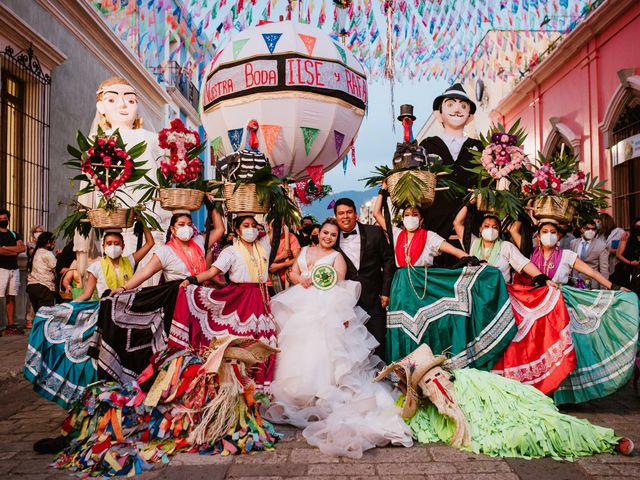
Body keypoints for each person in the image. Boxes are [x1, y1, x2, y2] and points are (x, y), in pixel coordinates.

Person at [265, 218, 413, 458]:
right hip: (300, 301)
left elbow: (339, 287)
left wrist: (341, 314)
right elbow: (292, 272)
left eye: (333, 235)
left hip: (324, 306)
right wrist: (298, 279)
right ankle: (297, 392)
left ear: (336, 239)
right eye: (326, 233)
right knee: (296, 346)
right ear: (319, 233)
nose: (328, 237)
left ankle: (322, 391)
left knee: (324, 349)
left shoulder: (337, 257)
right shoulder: (304, 250)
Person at [373, 191, 515, 369]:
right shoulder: (396, 234)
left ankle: (430, 371)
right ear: (402, 219)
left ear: (422, 219)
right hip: (401, 286)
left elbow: (454, 251)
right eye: (407, 215)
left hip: (424, 284)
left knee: (426, 328)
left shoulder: (429, 236)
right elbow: (377, 213)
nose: (411, 218)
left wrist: (473, 260)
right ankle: (404, 375)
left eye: (415, 215)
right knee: (402, 328)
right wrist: (383, 191)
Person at [509, 220, 639, 404]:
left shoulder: (567, 255)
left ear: (559, 235)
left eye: (553, 231)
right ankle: (538, 390)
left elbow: (592, 273)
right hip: (535, 307)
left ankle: (562, 394)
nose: (549, 235)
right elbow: (514, 230)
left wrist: (614, 286)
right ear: (537, 235)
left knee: (564, 348)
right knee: (537, 348)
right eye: (544, 231)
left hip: (561, 305)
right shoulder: (528, 254)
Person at [174, 215, 277, 391]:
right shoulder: (231, 251)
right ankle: (237, 386)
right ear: (237, 230)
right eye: (246, 225)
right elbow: (213, 271)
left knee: (265, 342)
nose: (251, 229)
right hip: (241, 299)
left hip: (261, 298)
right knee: (242, 341)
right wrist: (192, 280)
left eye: (254, 225)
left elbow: (277, 224)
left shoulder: (264, 247)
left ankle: (260, 388)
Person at [419, 84, 483, 258]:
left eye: (463, 106)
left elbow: (486, 183)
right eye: (450, 104)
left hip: (472, 225)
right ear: (438, 114)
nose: (457, 109)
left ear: (470, 116)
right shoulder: (428, 145)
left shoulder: (479, 147)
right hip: (435, 224)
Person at [333, 198, 395, 360]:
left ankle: (382, 379)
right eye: (341, 213)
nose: (345, 216)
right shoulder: (332, 239)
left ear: (355, 214)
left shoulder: (375, 232)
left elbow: (388, 260)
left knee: (378, 340)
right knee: (352, 345)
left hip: (374, 298)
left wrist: (386, 291)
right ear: (336, 217)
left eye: (348, 212)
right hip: (346, 303)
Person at [113, 209, 224, 291]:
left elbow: (220, 229)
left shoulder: (199, 242)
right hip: (177, 300)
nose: (186, 228)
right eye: (181, 225)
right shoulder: (165, 252)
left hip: (200, 296)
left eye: (189, 225)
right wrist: (124, 288)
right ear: (172, 229)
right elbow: (145, 272)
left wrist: (212, 205)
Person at [453, 204, 558, 285]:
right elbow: (457, 223)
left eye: (495, 227)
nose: (491, 229)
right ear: (480, 229)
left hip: (499, 292)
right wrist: (470, 203)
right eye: (487, 226)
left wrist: (543, 279)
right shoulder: (473, 243)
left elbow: (524, 264)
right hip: (474, 289)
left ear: (499, 231)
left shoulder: (506, 246)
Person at [75, 227, 155, 301]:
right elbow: (87, 294)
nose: (113, 247)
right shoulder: (96, 267)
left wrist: (142, 222)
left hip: (127, 308)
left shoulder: (130, 261)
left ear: (123, 246)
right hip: (106, 309)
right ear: (103, 246)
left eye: (117, 244)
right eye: (109, 244)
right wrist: (71, 304)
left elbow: (150, 243)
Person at [0, 208, 26, 335]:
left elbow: (22, 248)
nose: (3, 221)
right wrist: (14, 250)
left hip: (14, 269)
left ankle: (10, 324)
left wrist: (6, 249)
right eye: (0, 219)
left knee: (11, 297)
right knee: (0, 297)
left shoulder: (14, 234)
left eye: (5, 219)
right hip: (1, 269)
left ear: (8, 219)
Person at [569, 221, 609, 289]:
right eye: (587, 228)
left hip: (592, 284)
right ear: (582, 229)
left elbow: (604, 269)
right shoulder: (574, 243)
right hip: (575, 282)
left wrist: (604, 288)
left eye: (593, 229)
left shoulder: (601, 245)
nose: (590, 231)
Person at [26, 232, 58, 314]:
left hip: (32, 287)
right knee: (46, 316)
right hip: (44, 287)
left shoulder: (36, 252)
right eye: (53, 242)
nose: (55, 244)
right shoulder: (48, 254)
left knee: (38, 315)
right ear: (48, 242)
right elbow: (56, 269)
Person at [268, 225, 301, 294]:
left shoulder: (290, 237)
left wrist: (280, 266)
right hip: (266, 283)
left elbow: (298, 259)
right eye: (275, 223)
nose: (278, 225)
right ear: (268, 225)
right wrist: (281, 256)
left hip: (286, 282)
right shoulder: (262, 238)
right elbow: (260, 262)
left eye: (281, 224)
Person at [611, 216, 640, 294]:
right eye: (637, 227)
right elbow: (618, 255)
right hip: (626, 271)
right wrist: (630, 262)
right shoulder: (627, 237)